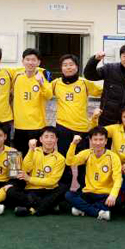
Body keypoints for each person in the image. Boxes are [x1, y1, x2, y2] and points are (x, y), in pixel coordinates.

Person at [51, 54, 102, 189]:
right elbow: (42, 93)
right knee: (64, 160)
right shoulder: (55, 84)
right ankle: (63, 190)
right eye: (65, 65)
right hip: (62, 127)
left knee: (83, 161)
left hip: (82, 129)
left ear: (77, 67)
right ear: (61, 68)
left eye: (71, 64)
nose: (68, 67)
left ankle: (84, 189)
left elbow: (103, 91)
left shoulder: (84, 83)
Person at [6, 126, 68, 216]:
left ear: (56, 140)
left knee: (63, 190)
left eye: (52, 137)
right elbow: (26, 168)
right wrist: (30, 149)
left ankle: (32, 210)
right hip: (32, 190)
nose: (49, 140)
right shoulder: (34, 151)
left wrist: (29, 178)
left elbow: (52, 181)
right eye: (46, 137)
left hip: (49, 190)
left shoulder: (60, 158)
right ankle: (49, 207)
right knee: (10, 192)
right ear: (41, 139)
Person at [64, 127, 122, 221]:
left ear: (106, 141)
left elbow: (118, 178)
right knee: (68, 195)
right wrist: (73, 144)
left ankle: (82, 209)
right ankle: (98, 212)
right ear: (90, 140)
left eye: (101, 139)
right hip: (88, 193)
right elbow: (69, 162)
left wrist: (113, 195)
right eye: (95, 139)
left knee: (118, 201)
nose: (98, 143)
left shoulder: (113, 157)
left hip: (105, 194)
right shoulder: (87, 153)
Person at [11, 48, 53, 157]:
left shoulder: (43, 76)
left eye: (34, 60)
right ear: (23, 61)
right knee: (16, 157)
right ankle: (15, 174)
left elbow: (49, 95)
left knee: (36, 157)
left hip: (37, 125)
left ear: (38, 62)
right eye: (27, 59)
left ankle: (33, 174)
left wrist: (41, 83)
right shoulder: (16, 75)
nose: (30, 62)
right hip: (19, 125)